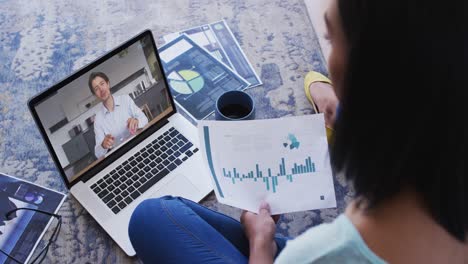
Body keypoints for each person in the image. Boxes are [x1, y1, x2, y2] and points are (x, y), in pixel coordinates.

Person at [128, 0, 468, 262]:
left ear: (368, 75)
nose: (328, 57)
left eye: (331, 40)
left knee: (149, 218)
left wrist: (262, 247)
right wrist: (338, 101)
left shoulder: (319, 254)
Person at [89, 72, 148, 158]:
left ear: (108, 84)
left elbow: (144, 119)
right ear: (95, 95)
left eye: (102, 84)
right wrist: (102, 145)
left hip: (139, 145)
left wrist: (137, 122)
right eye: (96, 89)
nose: (101, 89)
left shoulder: (125, 99)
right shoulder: (98, 120)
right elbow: (98, 154)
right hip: (120, 157)